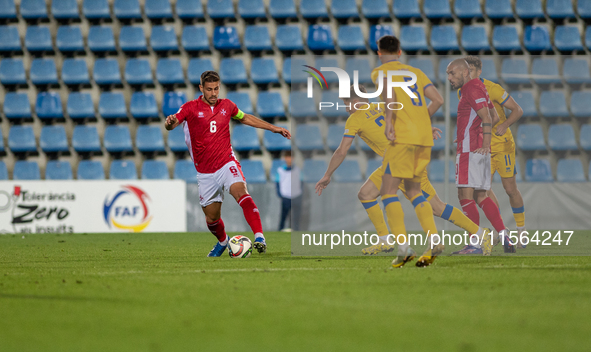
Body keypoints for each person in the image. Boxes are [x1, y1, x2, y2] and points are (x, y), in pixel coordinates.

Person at [314, 85, 493, 257]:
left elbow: (342, 150)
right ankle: (385, 240)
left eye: (346, 104)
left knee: (437, 208)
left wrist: (327, 175)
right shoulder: (383, 107)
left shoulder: (355, 119)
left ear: (355, 101)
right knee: (366, 194)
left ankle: (480, 233)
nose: (346, 108)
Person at [165, 70, 291, 257]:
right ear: (201, 88)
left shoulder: (227, 106)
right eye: (209, 89)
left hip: (226, 162)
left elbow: (246, 117)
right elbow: (173, 123)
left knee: (241, 192)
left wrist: (274, 128)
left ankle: (259, 237)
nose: (214, 93)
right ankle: (223, 242)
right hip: (205, 172)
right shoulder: (190, 108)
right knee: (212, 217)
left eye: (216, 89)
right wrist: (170, 122)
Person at [372, 35, 443, 268]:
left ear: (379, 52)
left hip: (402, 138)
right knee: (414, 190)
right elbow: (438, 100)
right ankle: (434, 240)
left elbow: (390, 95)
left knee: (388, 191)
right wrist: (421, 122)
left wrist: (390, 122)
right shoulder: (416, 72)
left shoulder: (380, 72)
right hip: (424, 138)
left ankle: (403, 248)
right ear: (400, 52)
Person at [446, 59, 515, 254]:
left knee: (464, 196)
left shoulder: (470, 89)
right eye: (448, 74)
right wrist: (470, 133)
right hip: (476, 148)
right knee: (481, 196)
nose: (449, 78)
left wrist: (482, 142)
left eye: (452, 73)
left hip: (471, 151)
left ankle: (475, 243)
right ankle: (504, 235)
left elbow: (486, 118)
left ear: (465, 72)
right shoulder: (481, 87)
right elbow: (493, 117)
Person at [464, 56, 527, 248]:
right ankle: (502, 230)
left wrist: (505, 124)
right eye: (466, 71)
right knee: (481, 191)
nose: (468, 74)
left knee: (510, 189)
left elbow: (517, 109)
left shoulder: (493, 89)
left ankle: (521, 229)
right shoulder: (463, 91)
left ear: (479, 71)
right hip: (483, 146)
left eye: (472, 71)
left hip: (502, 145)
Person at [275, 150, 302, 231]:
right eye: (287, 157)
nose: (289, 159)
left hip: (295, 196)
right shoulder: (280, 170)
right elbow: (277, 183)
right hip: (285, 196)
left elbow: (301, 182)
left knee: (295, 218)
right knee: (283, 216)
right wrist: (280, 194)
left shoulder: (297, 170)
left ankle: (296, 233)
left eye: (290, 157)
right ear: (285, 158)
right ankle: (279, 232)